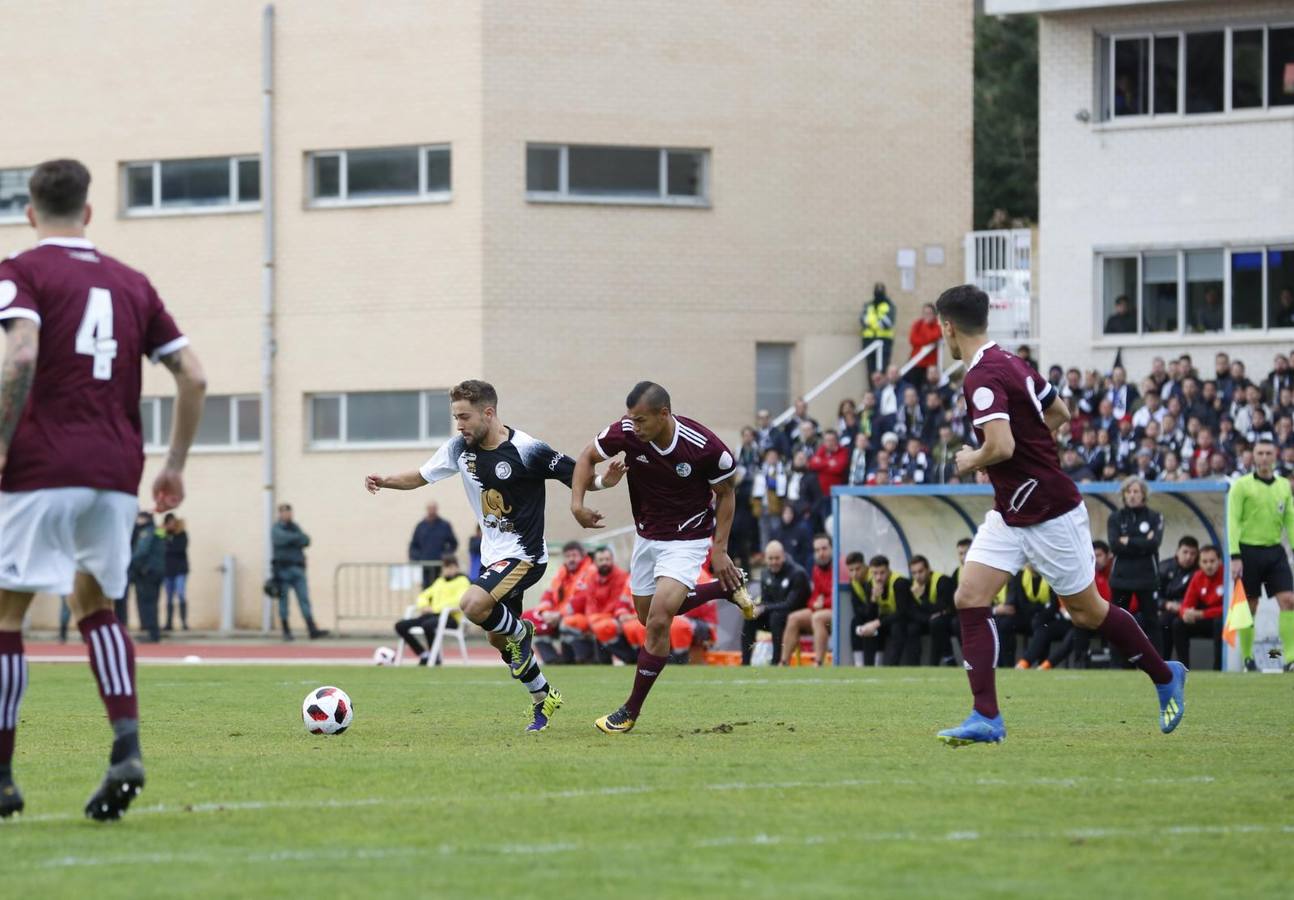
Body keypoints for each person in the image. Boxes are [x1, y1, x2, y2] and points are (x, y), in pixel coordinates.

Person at [0, 158, 206, 820]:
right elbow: (194, 376)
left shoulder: (22, 271)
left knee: (6, 614)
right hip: (116, 472)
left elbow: (22, 352)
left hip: (38, 465)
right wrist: (174, 463)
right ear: (89, 212)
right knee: (97, 608)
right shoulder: (132, 283)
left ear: (31, 214)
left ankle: (2, 775)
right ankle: (126, 745)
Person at [931, 284, 1185, 747]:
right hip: (1011, 512)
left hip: (1050, 512)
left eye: (939, 328)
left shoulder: (980, 376)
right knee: (970, 595)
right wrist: (1024, 452)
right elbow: (1060, 412)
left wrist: (974, 459)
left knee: (1087, 613)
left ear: (947, 326)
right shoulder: (1011, 362)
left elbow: (1003, 445)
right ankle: (986, 716)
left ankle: (1165, 673)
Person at [366, 380, 622, 732]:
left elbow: (578, 474)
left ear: (488, 412)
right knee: (496, 638)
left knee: (472, 605)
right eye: (456, 418)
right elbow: (422, 476)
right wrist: (386, 480)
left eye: (465, 417)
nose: (460, 425)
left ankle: (522, 630)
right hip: (494, 559)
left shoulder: (527, 449)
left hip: (525, 556)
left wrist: (605, 483)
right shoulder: (460, 447)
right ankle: (543, 696)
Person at [570, 381, 754, 733]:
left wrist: (720, 549)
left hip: (688, 540)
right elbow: (585, 458)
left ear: (663, 414)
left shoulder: (704, 448)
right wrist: (577, 506)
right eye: (630, 420)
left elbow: (727, 495)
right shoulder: (625, 433)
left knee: (657, 621)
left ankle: (629, 711)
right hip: (647, 537)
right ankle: (724, 590)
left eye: (640, 421)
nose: (633, 428)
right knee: (646, 615)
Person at [1226, 438, 1294, 672]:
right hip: (1247, 551)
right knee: (1249, 607)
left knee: (1289, 601)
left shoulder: (1284, 485)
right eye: (1260, 453)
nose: (1264, 457)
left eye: (1268, 453)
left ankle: (1289, 658)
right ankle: (1248, 659)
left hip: (1275, 551)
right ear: (1253, 456)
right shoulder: (1241, 485)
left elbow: (1290, 519)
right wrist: (1235, 555)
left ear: (1275, 456)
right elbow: (1232, 521)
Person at [1106, 476, 1165, 660]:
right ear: (1124, 495)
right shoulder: (1115, 518)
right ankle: (1117, 663)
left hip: (1146, 577)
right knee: (1117, 623)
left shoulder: (1155, 517)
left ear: (1144, 495)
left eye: (1136, 492)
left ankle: (1159, 663)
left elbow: (1154, 544)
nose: (1132, 496)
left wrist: (1128, 540)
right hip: (1121, 578)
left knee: (1152, 622)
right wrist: (1141, 541)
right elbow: (1115, 545)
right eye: (1128, 492)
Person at [522, 541, 595, 664]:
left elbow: (581, 601)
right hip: (558, 615)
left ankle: (583, 657)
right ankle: (552, 660)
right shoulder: (562, 572)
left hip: (582, 616)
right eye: (568, 556)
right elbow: (549, 594)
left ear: (583, 556)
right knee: (528, 620)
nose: (571, 559)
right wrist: (544, 612)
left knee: (567, 623)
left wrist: (559, 615)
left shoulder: (590, 571)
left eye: (574, 555)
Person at [394, 554, 470, 665]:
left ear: (456, 567)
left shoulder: (463, 582)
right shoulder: (440, 581)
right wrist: (424, 606)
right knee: (400, 626)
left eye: (450, 567)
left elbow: (458, 601)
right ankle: (424, 654)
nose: (447, 570)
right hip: (431, 616)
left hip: (450, 618)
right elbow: (423, 595)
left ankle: (435, 658)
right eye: (445, 567)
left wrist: (434, 609)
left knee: (428, 625)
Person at [271, 504, 328, 641]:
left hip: (298, 569)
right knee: (284, 601)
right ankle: (286, 630)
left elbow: (306, 540)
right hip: (283, 571)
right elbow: (281, 539)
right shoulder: (276, 528)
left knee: (304, 599)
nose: (288, 515)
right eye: (285, 513)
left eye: (289, 512)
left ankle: (312, 629)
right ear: (280, 514)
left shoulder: (294, 527)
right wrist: (295, 538)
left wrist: (293, 538)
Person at [779, 534, 835, 666]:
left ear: (832, 548)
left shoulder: (839, 567)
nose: (821, 553)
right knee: (794, 618)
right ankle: (783, 662)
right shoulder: (816, 569)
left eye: (824, 548)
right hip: (822, 610)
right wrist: (815, 604)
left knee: (817, 618)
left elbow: (839, 598)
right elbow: (814, 596)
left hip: (837, 613)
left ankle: (818, 662)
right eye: (817, 550)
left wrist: (822, 604)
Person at [846, 553, 910, 666]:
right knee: (868, 628)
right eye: (875, 573)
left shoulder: (899, 582)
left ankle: (892, 667)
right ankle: (868, 667)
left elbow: (903, 612)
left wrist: (876, 623)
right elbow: (870, 615)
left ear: (888, 571)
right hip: (885, 620)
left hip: (902, 620)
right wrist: (873, 599)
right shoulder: (870, 585)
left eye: (882, 573)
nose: (878, 577)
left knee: (896, 627)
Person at [1173, 545, 1225, 671]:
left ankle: (1218, 669)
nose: (1209, 565)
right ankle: (1183, 669)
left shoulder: (1227, 576)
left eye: (1212, 561)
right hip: (1203, 620)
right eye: (1204, 562)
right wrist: (1186, 613)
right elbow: (1186, 604)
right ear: (1199, 563)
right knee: (1178, 623)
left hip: (1219, 622)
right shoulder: (1197, 577)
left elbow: (1228, 609)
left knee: (1220, 623)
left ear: (1219, 561)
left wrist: (1201, 614)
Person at [906, 555, 955, 666]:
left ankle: (937, 663)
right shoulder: (912, 585)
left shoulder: (942, 580)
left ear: (928, 569)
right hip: (927, 619)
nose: (917, 576)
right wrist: (928, 617)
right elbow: (911, 611)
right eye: (914, 573)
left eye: (920, 571)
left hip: (946, 619)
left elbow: (941, 608)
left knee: (937, 623)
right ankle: (913, 666)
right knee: (912, 628)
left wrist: (922, 597)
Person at [1157, 536, 1200, 657]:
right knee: (1163, 622)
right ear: (1177, 552)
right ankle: (1162, 663)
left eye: (1192, 553)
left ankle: (1183, 665)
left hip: (1189, 612)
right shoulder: (1163, 568)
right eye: (1185, 552)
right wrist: (1166, 604)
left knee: (1177, 623)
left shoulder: (1199, 571)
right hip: (1166, 611)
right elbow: (1154, 596)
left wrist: (1182, 606)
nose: (1188, 557)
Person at [129, 513, 166, 643]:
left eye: (140, 518)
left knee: (147, 603)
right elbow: (163, 547)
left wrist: (129, 562)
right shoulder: (159, 531)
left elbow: (141, 551)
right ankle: (153, 632)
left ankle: (151, 633)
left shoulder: (146, 532)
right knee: (152, 603)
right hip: (157, 571)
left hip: (147, 573)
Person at [408, 502, 458, 589]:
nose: (432, 511)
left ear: (436, 510)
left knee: (440, 588)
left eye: (433, 509)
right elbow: (413, 545)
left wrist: (446, 556)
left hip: (440, 565)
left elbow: (453, 543)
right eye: (430, 509)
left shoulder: (444, 525)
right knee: (426, 589)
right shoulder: (420, 526)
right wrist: (419, 558)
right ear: (427, 510)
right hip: (425, 566)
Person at [859, 282, 895, 382]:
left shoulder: (889, 306)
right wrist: (877, 322)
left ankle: (881, 389)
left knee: (883, 368)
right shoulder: (868, 305)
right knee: (871, 369)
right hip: (868, 339)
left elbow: (888, 323)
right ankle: (873, 390)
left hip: (884, 341)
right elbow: (862, 320)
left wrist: (871, 323)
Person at [162, 513, 189, 631]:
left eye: (172, 522)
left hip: (180, 570)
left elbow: (179, 548)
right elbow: (156, 544)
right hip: (167, 570)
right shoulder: (163, 534)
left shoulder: (182, 534)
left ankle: (184, 623)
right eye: (168, 523)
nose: (171, 525)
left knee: (181, 594)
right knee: (168, 597)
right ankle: (168, 623)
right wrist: (161, 531)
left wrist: (167, 546)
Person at [907, 303, 942, 387]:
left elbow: (934, 336)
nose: (927, 315)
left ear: (934, 315)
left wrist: (926, 326)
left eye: (930, 313)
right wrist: (925, 340)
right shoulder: (918, 324)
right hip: (916, 362)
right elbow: (912, 340)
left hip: (930, 365)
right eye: (925, 313)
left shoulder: (937, 325)